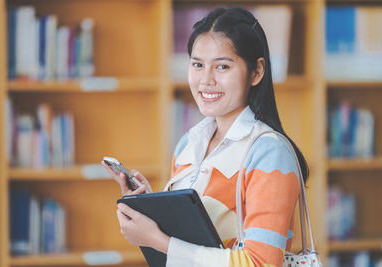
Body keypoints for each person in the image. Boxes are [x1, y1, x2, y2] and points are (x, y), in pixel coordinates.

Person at [102, 7, 309, 267]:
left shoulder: (269, 152)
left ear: (256, 72)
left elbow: (260, 263)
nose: (206, 80)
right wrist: (152, 212)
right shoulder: (188, 144)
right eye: (197, 64)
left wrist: (159, 241)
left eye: (222, 66)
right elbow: (197, 242)